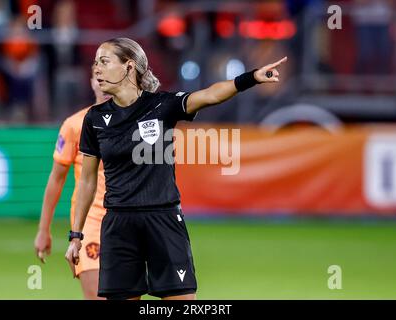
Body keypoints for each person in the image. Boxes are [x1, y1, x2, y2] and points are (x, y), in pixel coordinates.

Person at [65, 37, 286, 300]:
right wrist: (76, 235)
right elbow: (87, 181)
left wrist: (251, 78)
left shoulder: (162, 105)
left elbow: (211, 95)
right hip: (118, 225)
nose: (97, 69)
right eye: (95, 63)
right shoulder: (95, 119)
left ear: (129, 67)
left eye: (104, 61)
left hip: (163, 219)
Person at [34, 71, 110, 300]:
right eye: (99, 77)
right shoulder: (75, 125)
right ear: (91, 83)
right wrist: (43, 229)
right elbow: (57, 178)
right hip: (90, 223)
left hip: (128, 222)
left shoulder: (134, 124)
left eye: (108, 76)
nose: (104, 83)